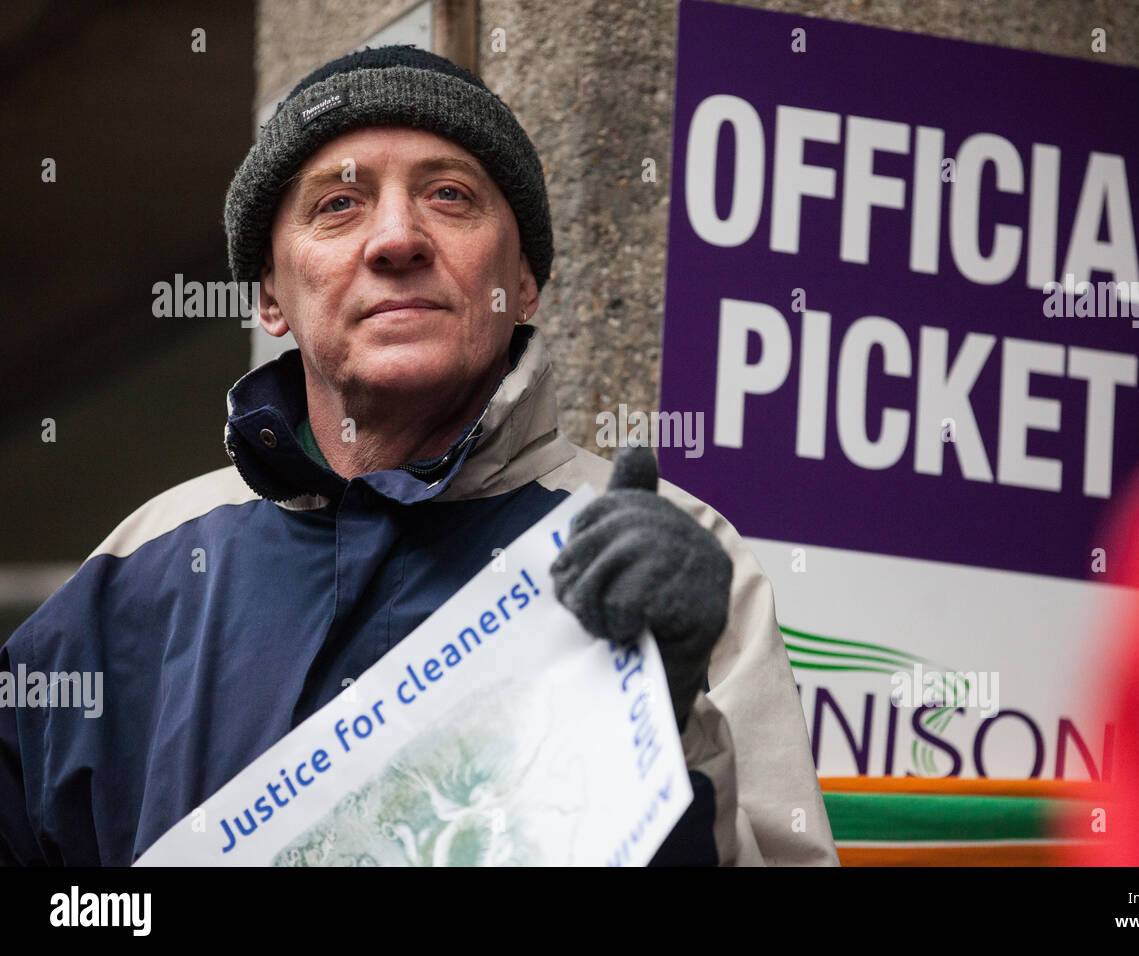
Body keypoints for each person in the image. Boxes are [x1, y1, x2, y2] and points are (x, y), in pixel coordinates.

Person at [0, 45, 837, 866]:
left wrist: (676, 720)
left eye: (449, 196)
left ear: (526, 281)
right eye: (337, 205)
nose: (397, 238)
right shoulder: (140, 566)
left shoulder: (670, 549)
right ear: (269, 296)